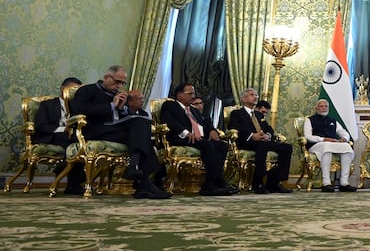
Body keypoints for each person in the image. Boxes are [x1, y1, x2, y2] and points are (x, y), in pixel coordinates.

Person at [70, 66, 169, 199]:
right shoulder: (87, 90)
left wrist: (122, 109)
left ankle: (137, 170)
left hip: (115, 131)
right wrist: (111, 106)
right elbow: (79, 109)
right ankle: (143, 182)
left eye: (123, 83)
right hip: (95, 130)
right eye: (117, 82)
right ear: (106, 78)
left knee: (142, 122)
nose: (119, 85)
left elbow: (126, 117)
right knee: (142, 134)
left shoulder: (119, 95)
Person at [160, 83, 237, 196]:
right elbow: (169, 121)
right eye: (189, 93)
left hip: (200, 139)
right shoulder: (170, 105)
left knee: (222, 145)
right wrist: (186, 133)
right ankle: (211, 185)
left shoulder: (193, 110)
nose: (193, 96)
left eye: (194, 93)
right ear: (180, 95)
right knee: (207, 145)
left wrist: (212, 130)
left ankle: (217, 181)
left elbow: (206, 121)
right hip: (182, 139)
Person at [229, 88, 293, 194]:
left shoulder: (258, 115)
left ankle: (274, 182)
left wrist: (268, 135)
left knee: (287, 147)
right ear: (244, 99)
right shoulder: (237, 113)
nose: (256, 97)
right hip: (247, 142)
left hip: (262, 141)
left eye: (256, 95)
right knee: (261, 145)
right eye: (252, 95)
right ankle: (257, 182)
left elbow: (269, 128)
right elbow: (234, 128)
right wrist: (252, 135)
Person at [32, 77, 86, 194]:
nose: (74, 92)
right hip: (53, 136)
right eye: (72, 89)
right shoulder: (47, 104)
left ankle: (69, 175)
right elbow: (41, 126)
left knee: (83, 143)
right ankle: (73, 183)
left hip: (73, 136)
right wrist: (63, 129)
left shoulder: (77, 106)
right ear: (63, 88)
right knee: (72, 141)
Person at [303, 99, 357, 192]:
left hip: (331, 143)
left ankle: (344, 183)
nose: (323, 108)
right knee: (326, 148)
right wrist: (323, 139)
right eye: (321, 106)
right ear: (316, 108)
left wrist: (345, 138)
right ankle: (326, 183)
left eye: (325, 106)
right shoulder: (309, 120)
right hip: (316, 145)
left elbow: (343, 132)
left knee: (347, 148)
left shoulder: (333, 120)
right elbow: (308, 136)